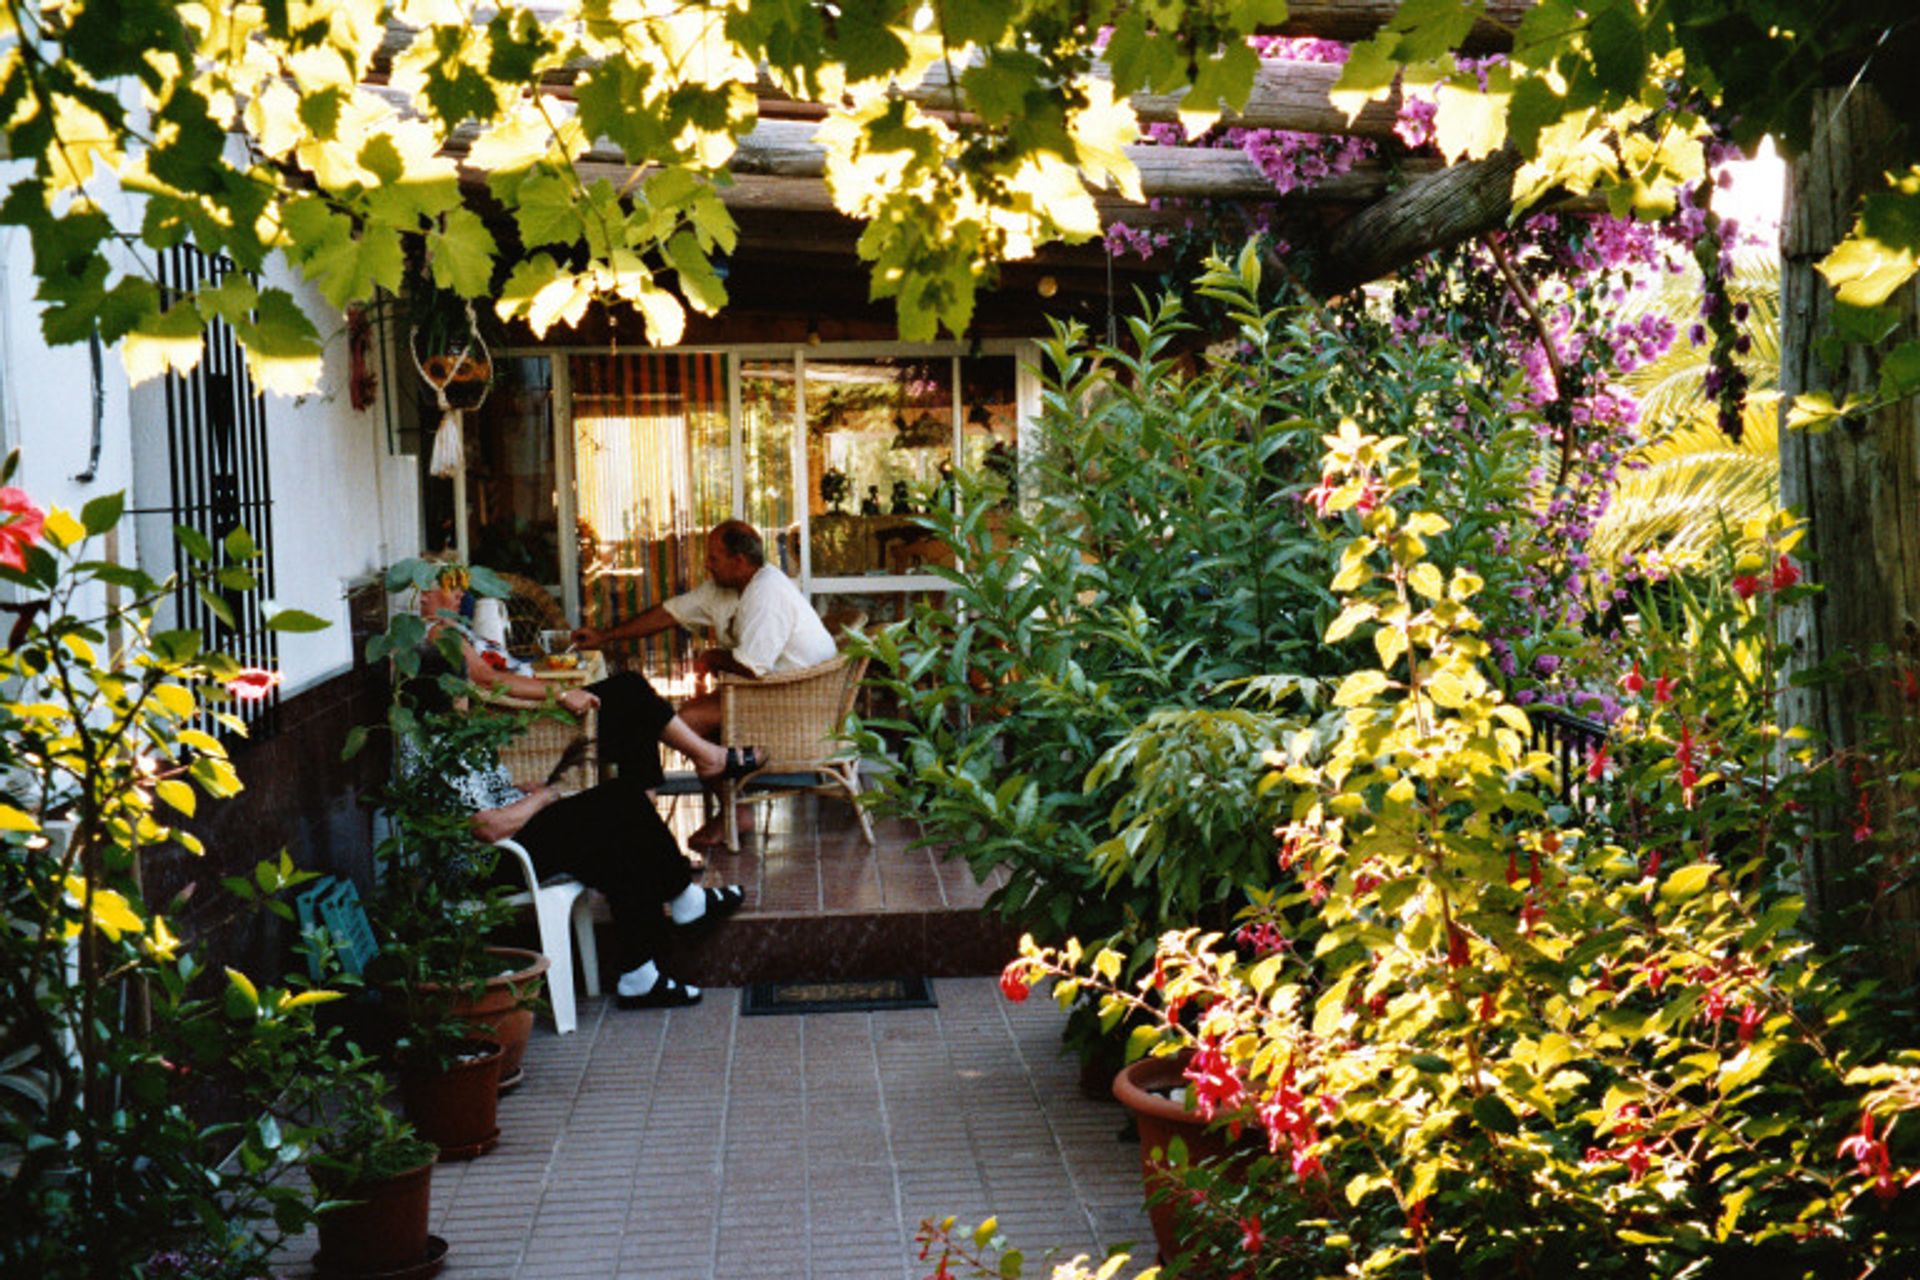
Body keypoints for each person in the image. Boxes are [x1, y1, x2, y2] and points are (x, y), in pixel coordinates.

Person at [408, 567, 743, 1008]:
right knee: (621, 804)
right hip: (492, 862)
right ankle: (679, 906)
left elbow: (482, 799)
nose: (469, 695)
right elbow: (485, 828)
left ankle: (646, 964)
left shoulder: (455, 734)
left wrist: (521, 792)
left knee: (619, 829)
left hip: (512, 837)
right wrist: (543, 798)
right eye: (462, 687)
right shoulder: (437, 745)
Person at [572, 522, 838, 847]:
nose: (706, 565)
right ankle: (731, 805)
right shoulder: (726, 587)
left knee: (684, 724)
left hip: (793, 699)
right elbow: (670, 613)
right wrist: (605, 637)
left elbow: (751, 668)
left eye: (713, 558)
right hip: (766, 689)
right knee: (684, 722)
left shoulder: (767, 593)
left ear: (739, 561)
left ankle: (733, 813)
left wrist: (712, 658)